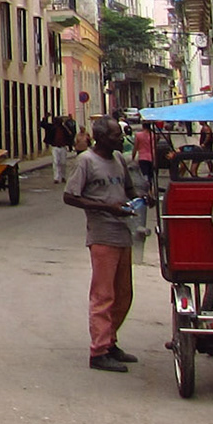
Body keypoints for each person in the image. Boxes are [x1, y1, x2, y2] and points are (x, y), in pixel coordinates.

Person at [63, 118, 146, 372]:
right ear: (100, 138)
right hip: (102, 234)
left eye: (120, 135)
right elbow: (70, 196)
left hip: (124, 232)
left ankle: (110, 341)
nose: (121, 139)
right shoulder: (86, 161)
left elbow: (129, 189)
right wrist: (106, 207)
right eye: (115, 136)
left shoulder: (120, 160)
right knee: (103, 295)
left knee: (124, 293)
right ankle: (98, 351)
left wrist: (141, 199)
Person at [41, 113, 75, 184]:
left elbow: (69, 136)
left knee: (63, 163)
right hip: (55, 147)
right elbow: (42, 124)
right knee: (56, 162)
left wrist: (70, 145)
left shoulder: (64, 128)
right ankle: (56, 178)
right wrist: (45, 117)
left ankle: (62, 176)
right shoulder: (52, 127)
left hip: (62, 147)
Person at [131, 118, 158, 190]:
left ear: (143, 126)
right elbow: (153, 148)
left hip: (142, 158)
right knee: (150, 177)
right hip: (151, 157)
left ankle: (146, 191)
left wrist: (133, 157)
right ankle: (150, 191)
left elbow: (135, 147)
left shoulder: (138, 135)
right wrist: (155, 160)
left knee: (144, 176)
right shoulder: (153, 135)